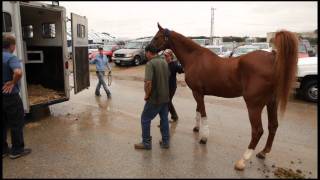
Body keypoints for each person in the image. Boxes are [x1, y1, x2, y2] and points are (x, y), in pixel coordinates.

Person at [134, 44, 170, 150]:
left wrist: (146, 94)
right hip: (165, 97)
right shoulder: (164, 62)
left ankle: (146, 143)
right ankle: (165, 142)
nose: (146, 55)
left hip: (155, 98)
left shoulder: (150, 64)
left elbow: (148, 82)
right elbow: (167, 76)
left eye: (146, 53)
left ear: (149, 52)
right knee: (164, 119)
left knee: (145, 119)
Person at [2, 34, 32, 159]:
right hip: (10, 97)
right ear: (12, 45)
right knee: (16, 123)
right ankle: (17, 150)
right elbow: (18, 72)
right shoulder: (10, 57)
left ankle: (3, 150)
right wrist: (13, 82)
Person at [163, 49, 184, 122]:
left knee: (167, 102)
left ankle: (163, 120)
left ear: (171, 56)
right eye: (164, 56)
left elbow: (182, 70)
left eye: (167, 56)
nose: (165, 57)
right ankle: (174, 116)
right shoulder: (164, 64)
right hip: (165, 87)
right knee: (168, 101)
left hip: (172, 87)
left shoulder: (174, 64)